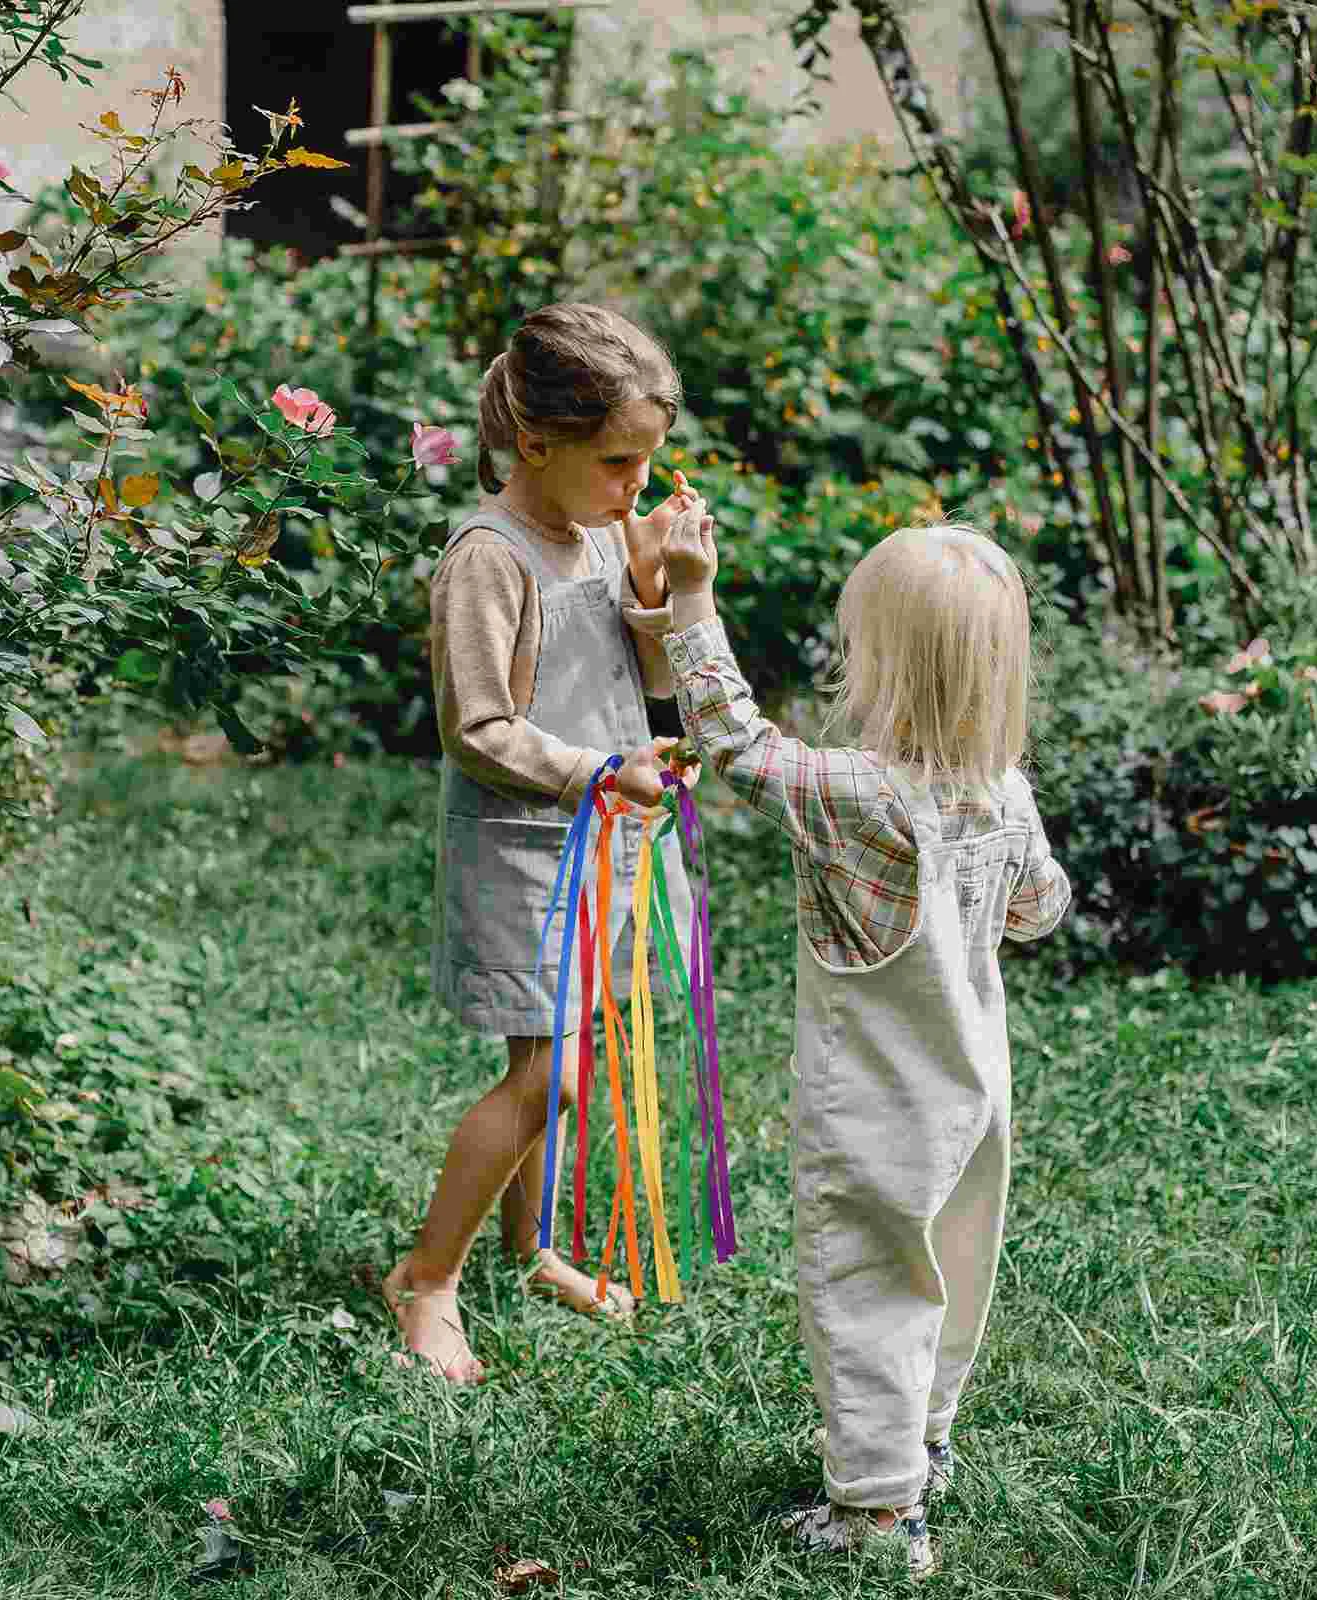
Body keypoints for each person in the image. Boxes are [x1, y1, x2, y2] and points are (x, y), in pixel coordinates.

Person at [656, 511, 1071, 1579]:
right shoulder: (1003, 793)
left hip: (879, 1109)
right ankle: (922, 1443)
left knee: (869, 1286)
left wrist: (690, 599)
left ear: (880, 663)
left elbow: (736, 743)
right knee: (954, 1268)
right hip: (975, 1093)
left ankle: (878, 1516)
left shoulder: (857, 793)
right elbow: (1038, 913)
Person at [384, 303, 715, 1384]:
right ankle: (427, 1278)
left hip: (610, 838)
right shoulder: (489, 557)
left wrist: (667, 593)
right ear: (537, 444)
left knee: (558, 1051)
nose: (636, 488)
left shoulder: (604, 533)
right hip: (529, 848)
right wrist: (595, 769)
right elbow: (475, 729)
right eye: (620, 462)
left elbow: (645, 685)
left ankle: (528, 1251)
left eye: (647, 462)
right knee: (553, 1075)